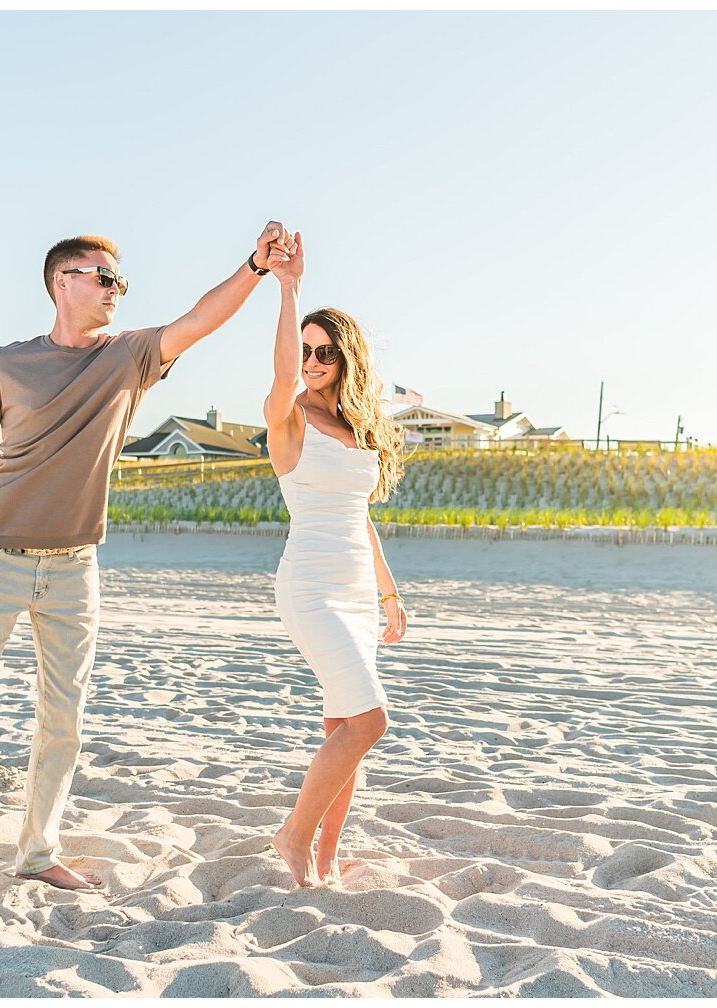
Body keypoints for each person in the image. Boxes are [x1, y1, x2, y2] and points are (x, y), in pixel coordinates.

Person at [0, 222, 297, 921]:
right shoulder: (7, 364)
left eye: (120, 281)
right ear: (62, 283)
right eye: (103, 277)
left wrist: (255, 266)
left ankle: (38, 853)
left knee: (62, 721)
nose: (116, 290)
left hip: (75, 568)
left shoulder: (128, 356)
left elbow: (200, 319)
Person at [259, 232, 409, 888]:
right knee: (370, 721)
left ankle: (323, 860)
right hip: (309, 586)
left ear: (346, 357)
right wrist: (288, 288)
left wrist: (388, 593)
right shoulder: (287, 416)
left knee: (344, 727)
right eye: (308, 349)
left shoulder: (357, 427)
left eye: (325, 350)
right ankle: (292, 837)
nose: (313, 360)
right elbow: (284, 372)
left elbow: (362, 518)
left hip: (354, 587)